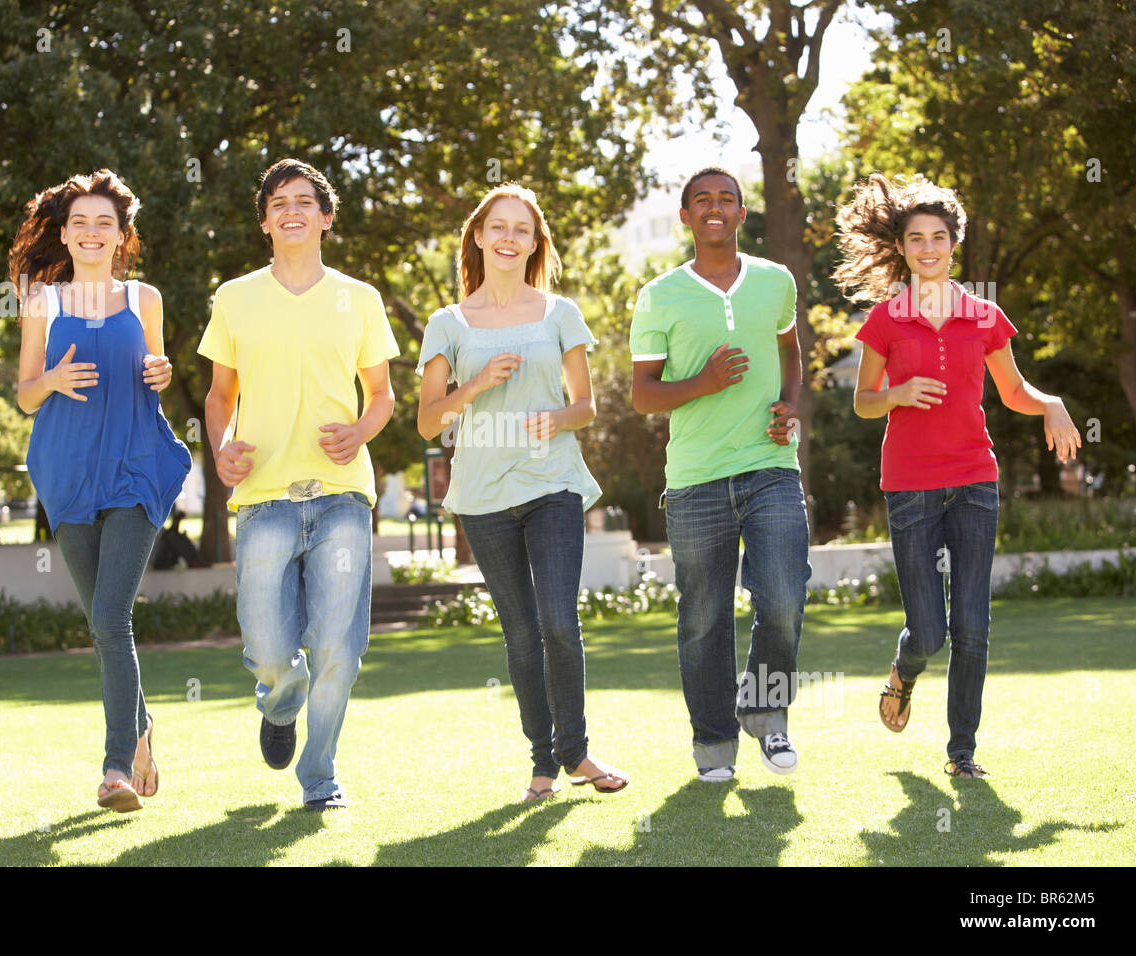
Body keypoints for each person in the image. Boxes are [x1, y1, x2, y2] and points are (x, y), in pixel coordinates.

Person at [836, 173, 1080, 778]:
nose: (927, 248)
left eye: (938, 237)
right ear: (903, 246)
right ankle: (904, 669)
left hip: (974, 480)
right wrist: (898, 391)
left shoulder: (984, 316)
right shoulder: (886, 321)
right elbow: (864, 401)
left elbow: (1015, 390)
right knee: (929, 631)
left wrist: (1050, 403)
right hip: (911, 487)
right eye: (915, 238)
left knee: (972, 627)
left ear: (954, 244)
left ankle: (961, 753)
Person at [417, 183, 628, 802]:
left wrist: (558, 419)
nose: (510, 239)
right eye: (499, 227)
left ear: (535, 244)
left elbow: (585, 406)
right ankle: (544, 763)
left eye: (523, 231)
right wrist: (477, 382)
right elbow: (429, 422)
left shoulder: (559, 313)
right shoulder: (447, 323)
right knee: (519, 633)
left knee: (559, 621)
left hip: (551, 483)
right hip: (482, 496)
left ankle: (578, 754)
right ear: (478, 236)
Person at [199, 158, 399, 810]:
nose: (292, 210)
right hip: (262, 498)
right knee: (266, 649)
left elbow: (382, 395)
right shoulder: (233, 298)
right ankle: (281, 702)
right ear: (265, 220)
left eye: (305, 200)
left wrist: (362, 431)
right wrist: (221, 447)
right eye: (279, 201)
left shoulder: (360, 299)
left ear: (325, 216)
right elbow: (218, 394)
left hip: (342, 494)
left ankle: (320, 775)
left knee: (340, 648)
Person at [12, 169, 190, 812]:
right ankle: (140, 726)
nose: (91, 232)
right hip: (66, 473)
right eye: (80, 222)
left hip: (136, 466)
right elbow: (26, 395)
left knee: (112, 617)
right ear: (65, 233)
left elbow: (157, 372)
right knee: (102, 623)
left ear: (122, 236)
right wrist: (52, 377)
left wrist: (165, 371)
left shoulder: (146, 299)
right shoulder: (43, 303)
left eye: (104, 223)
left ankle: (115, 768)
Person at [630, 166, 810, 783]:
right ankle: (713, 739)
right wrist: (703, 383)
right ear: (685, 217)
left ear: (740, 213)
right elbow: (643, 395)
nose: (714, 207)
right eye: (701, 200)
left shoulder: (774, 281)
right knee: (703, 617)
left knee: (783, 600)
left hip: (770, 466)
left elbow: (789, 349)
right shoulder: (660, 294)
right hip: (696, 479)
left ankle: (766, 710)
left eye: (726, 199)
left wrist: (790, 401)